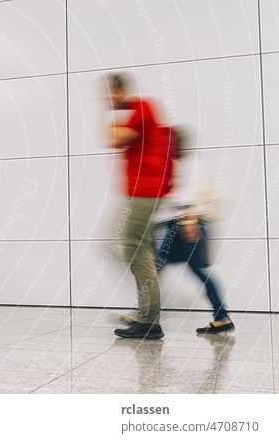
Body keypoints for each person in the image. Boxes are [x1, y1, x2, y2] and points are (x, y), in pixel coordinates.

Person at [106, 73, 174, 340]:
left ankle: (148, 319)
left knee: (136, 248)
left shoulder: (141, 108)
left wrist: (110, 115)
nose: (108, 99)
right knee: (138, 249)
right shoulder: (137, 110)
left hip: (146, 191)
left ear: (120, 90)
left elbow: (113, 138)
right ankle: (147, 317)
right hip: (144, 192)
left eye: (110, 93)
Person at [150, 131, 234, 334]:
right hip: (178, 224)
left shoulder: (187, 165)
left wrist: (188, 222)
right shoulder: (178, 163)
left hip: (183, 225)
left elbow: (189, 197)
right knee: (190, 269)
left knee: (156, 269)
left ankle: (145, 317)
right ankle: (221, 316)